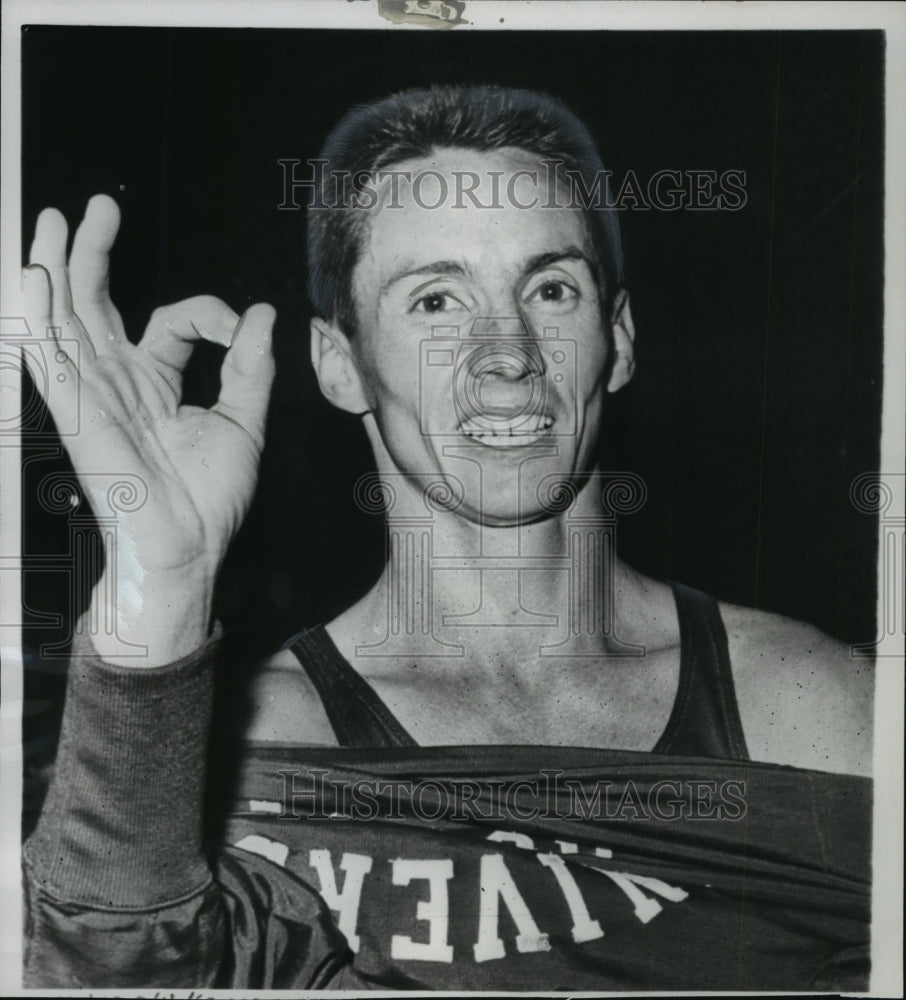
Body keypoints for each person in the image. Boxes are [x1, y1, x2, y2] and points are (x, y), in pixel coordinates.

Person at [21, 86, 873, 991]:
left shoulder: (820, 715)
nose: (507, 354)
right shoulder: (232, 759)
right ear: (340, 365)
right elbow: (106, 974)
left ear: (618, 338)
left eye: (551, 290)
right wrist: (163, 576)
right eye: (435, 301)